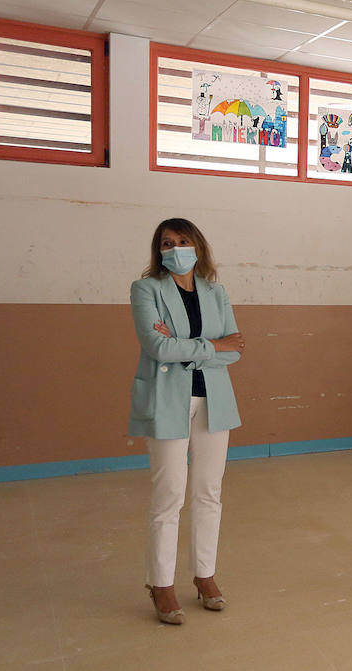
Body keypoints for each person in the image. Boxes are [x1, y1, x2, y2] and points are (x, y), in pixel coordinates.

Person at [129, 218, 245, 625]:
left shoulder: (216, 291)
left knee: (209, 493)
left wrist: (188, 348)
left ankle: (205, 576)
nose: (175, 247)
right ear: (157, 250)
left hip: (214, 400)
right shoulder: (146, 289)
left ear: (197, 245)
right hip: (167, 400)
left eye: (182, 240)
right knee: (169, 497)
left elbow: (236, 349)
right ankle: (160, 584)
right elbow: (158, 347)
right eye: (166, 242)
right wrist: (212, 346)